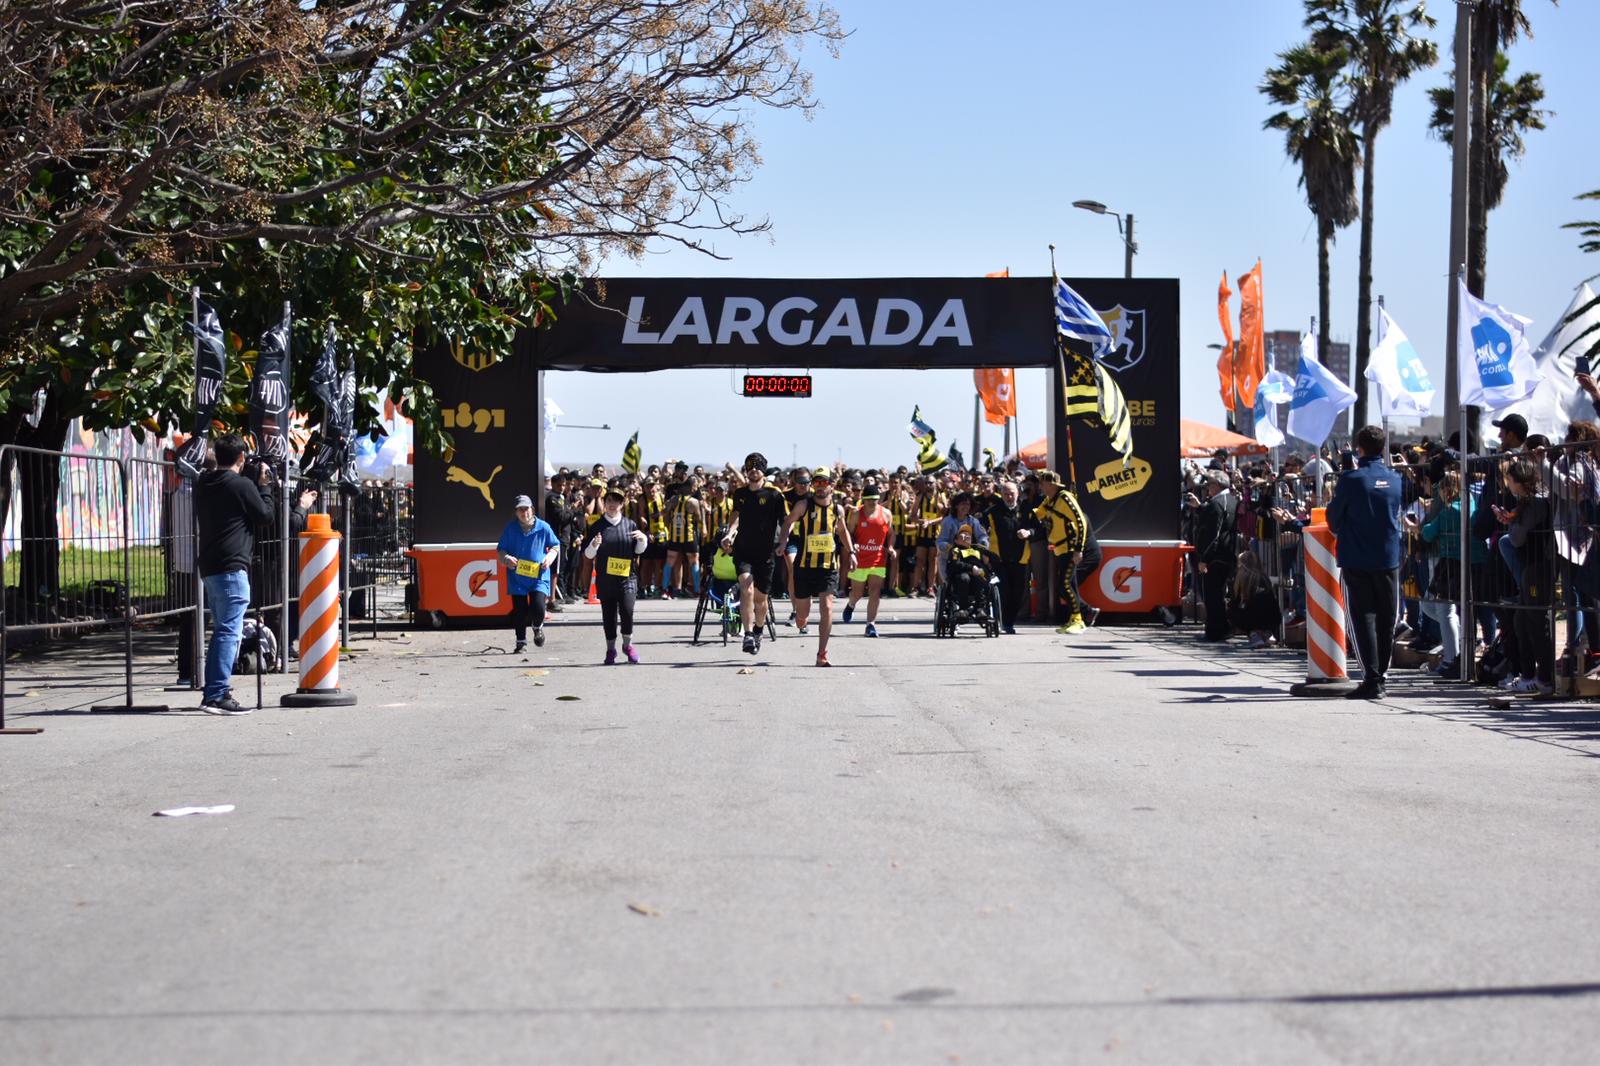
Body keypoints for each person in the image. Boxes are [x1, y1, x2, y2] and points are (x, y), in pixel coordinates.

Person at [194, 434, 278, 715]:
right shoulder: (241, 485)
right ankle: (216, 694)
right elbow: (265, 516)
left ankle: (216, 690)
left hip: (210, 567)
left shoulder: (203, 484)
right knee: (229, 632)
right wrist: (264, 487)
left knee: (222, 630)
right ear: (241, 458)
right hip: (232, 567)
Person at [1327, 425, 1404, 699]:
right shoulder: (1395, 479)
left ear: (1358, 449)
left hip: (1357, 556)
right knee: (1386, 619)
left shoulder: (1351, 480)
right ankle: (1381, 674)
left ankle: (1371, 677)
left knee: (1362, 619)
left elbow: (1333, 519)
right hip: (1388, 557)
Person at [783, 467, 855, 666]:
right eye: (817, 483)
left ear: (831, 485)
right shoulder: (803, 505)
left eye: (824, 483)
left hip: (828, 566)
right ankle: (800, 618)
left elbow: (843, 532)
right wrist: (782, 542)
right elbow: (788, 522)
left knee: (828, 607)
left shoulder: (837, 509)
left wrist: (851, 553)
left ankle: (822, 653)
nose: (821, 487)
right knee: (802, 615)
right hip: (805, 566)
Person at [723, 452, 788, 655]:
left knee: (760, 600)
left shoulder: (774, 495)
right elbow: (736, 517)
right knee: (746, 589)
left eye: (757, 467)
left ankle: (759, 630)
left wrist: (784, 541)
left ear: (764, 471)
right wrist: (729, 534)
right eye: (750, 467)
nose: (753, 470)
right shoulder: (740, 494)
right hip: (743, 550)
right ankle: (748, 634)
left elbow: (785, 521)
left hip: (765, 554)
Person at [583, 486, 649, 664]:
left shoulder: (630, 524)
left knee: (627, 611)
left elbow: (638, 550)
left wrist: (643, 540)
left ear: (622, 504)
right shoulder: (597, 526)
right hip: (606, 579)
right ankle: (610, 649)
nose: (613, 505)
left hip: (628, 577)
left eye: (617, 501)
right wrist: (595, 545)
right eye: (609, 501)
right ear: (604, 503)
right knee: (609, 615)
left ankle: (628, 645)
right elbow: (588, 555)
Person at [1033, 470, 1101, 635]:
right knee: (1063, 587)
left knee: (1065, 585)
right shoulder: (1050, 500)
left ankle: (1078, 620)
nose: (1040, 486)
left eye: (1042, 483)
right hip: (1061, 550)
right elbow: (1038, 514)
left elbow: (1081, 522)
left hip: (1071, 549)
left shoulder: (1065, 497)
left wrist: (1078, 550)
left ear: (1051, 484)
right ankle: (1078, 616)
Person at [497, 494, 561, 654]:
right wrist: (506, 558)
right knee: (520, 611)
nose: (523, 512)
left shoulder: (543, 527)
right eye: (520, 509)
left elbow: (555, 545)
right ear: (516, 512)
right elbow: (501, 549)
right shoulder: (510, 529)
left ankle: (537, 626)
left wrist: (549, 557)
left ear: (532, 509)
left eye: (526, 509)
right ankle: (521, 642)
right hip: (517, 577)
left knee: (538, 608)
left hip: (538, 576)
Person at [1190, 470, 1238, 642]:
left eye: (1209, 484)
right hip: (1226, 555)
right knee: (1217, 594)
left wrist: (1204, 559)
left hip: (1215, 557)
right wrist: (1201, 507)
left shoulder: (1216, 504)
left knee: (1213, 596)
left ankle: (1215, 631)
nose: (1207, 488)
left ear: (1217, 485)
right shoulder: (1231, 501)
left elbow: (1213, 534)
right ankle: (1222, 628)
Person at [983, 479, 1033, 635]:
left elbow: (1038, 528)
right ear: (1001, 494)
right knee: (1003, 591)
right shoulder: (992, 511)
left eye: (1011, 493)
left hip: (1020, 558)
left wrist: (1029, 532)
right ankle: (1002, 621)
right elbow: (980, 529)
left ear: (1017, 493)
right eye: (1005, 494)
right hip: (999, 559)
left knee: (1018, 592)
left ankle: (1010, 622)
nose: (1009, 497)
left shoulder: (1027, 510)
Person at [843, 483, 893, 637]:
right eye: (869, 499)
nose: (872, 502)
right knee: (857, 593)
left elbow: (891, 533)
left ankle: (870, 625)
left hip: (878, 559)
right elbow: (849, 534)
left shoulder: (886, 514)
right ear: (864, 499)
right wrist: (853, 546)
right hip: (859, 559)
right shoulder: (857, 514)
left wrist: (890, 547)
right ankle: (851, 605)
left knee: (875, 592)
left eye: (875, 499)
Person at [945, 524, 995, 615]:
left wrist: (986, 563)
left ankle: (980, 609)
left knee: (981, 577)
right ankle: (963, 609)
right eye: (963, 534)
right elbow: (955, 564)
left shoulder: (978, 551)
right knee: (964, 578)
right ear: (956, 540)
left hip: (977, 578)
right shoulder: (956, 550)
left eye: (968, 534)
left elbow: (989, 565)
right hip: (960, 579)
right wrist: (971, 568)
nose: (966, 536)